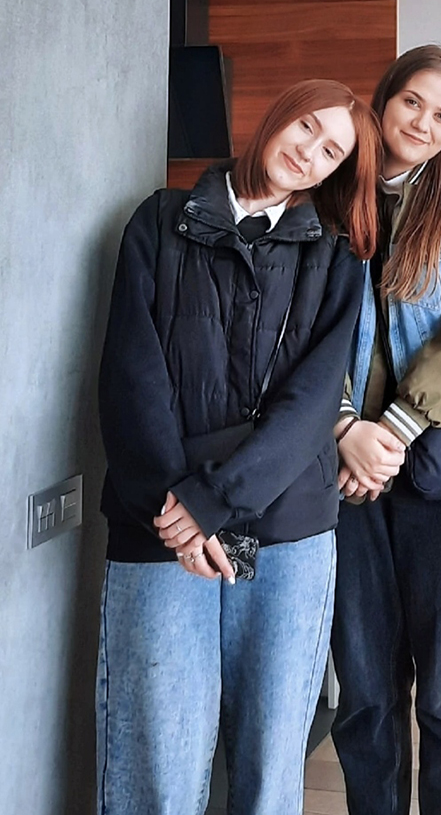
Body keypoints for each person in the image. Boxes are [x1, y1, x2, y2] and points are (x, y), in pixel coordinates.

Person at [95, 79, 379, 815]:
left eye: (332, 151)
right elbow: (131, 375)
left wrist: (216, 499)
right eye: (307, 127)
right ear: (277, 115)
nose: (310, 152)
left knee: (269, 766)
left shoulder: (336, 254)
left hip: (287, 530)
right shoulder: (159, 221)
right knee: (156, 762)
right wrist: (180, 510)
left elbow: (313, 402)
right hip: (161, 526)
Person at [329, 45, 441, 815]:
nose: (424, 124)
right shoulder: (330, 191)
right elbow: (298, 328)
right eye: (413, 103)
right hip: (344, 479)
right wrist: (344, 426)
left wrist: (393, 430)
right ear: (383, 99)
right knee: (366, 694)